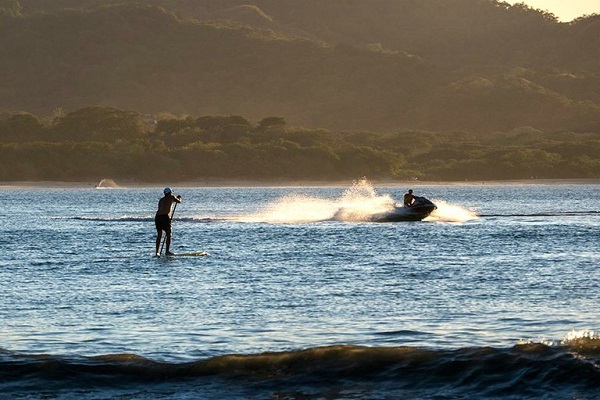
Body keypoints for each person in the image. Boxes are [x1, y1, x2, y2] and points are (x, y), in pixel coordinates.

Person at [155, 187, 182, 256]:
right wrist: (179, 197)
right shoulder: (171, 197)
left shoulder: (161, 200)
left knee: (159, 234)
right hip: (164, 217)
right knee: (168, 234)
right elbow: (179, 201)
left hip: (157, 217)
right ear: (169, 193)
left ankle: (157, 252)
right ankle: (167, 251)